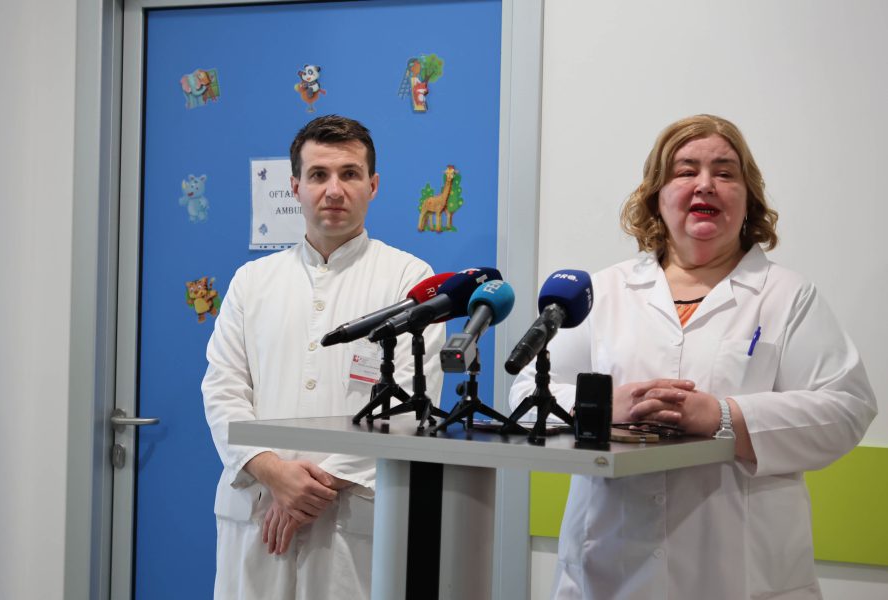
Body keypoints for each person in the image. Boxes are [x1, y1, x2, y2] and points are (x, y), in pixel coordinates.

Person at [510, 114, 877, 599]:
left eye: (725, 173)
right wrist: (603, 406)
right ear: (656, 195)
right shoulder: (603, 291)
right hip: (610, 570)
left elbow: (848, 408)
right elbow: (526, 397)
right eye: (686, 171)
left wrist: (725, 417)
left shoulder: (787, 295)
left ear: (748, 198)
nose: (705, 184)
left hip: (741, 576)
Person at [202, 115, 444, 600]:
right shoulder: (252, 282)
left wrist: (307, 492)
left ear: (373, 185)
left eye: (350, 174)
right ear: (295, 186)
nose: (334, 190)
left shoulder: (410, 281)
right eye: (318, 175)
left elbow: (407, 407)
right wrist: (272, 472)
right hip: (257, 509)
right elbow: (223, 390)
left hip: (351, 520)